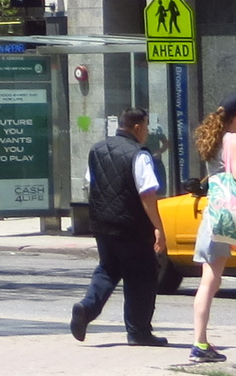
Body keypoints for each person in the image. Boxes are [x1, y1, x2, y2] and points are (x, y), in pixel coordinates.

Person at [69, 106, 169, 346]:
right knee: (142, 277)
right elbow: (147, 194)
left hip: (102, 224)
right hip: (132, 226)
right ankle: (139, 332)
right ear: (137, 127)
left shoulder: (97, 149)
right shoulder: (139, 155)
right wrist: (159, 227)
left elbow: (90, 182)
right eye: (146, 126)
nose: (147, 132)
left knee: (108, 269)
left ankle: (86, 308)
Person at [187, 94, 236, 362]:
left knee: (210, 279)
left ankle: (200, 343)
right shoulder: (232, 138)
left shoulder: (215, 140)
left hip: (215, 214)